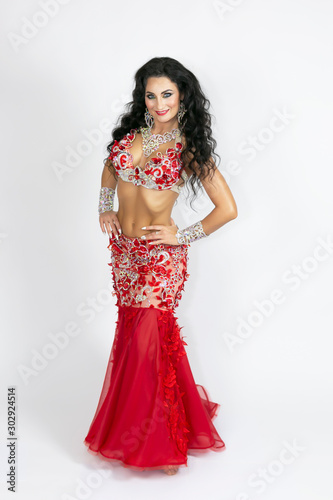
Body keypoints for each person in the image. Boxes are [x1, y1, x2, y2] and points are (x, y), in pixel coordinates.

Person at [83, 57, 238, 476]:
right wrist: (104, 209)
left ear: (182, 94)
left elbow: (227, 209)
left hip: (160, 256)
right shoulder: (131, 136)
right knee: (134, 336)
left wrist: (181, 235)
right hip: (125, 254)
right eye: (151, 95)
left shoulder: (188, 147)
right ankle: (134, 428)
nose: (158, 102)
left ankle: (163, 439)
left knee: (151, 340)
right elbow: (110, 170)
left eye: (166, 93)